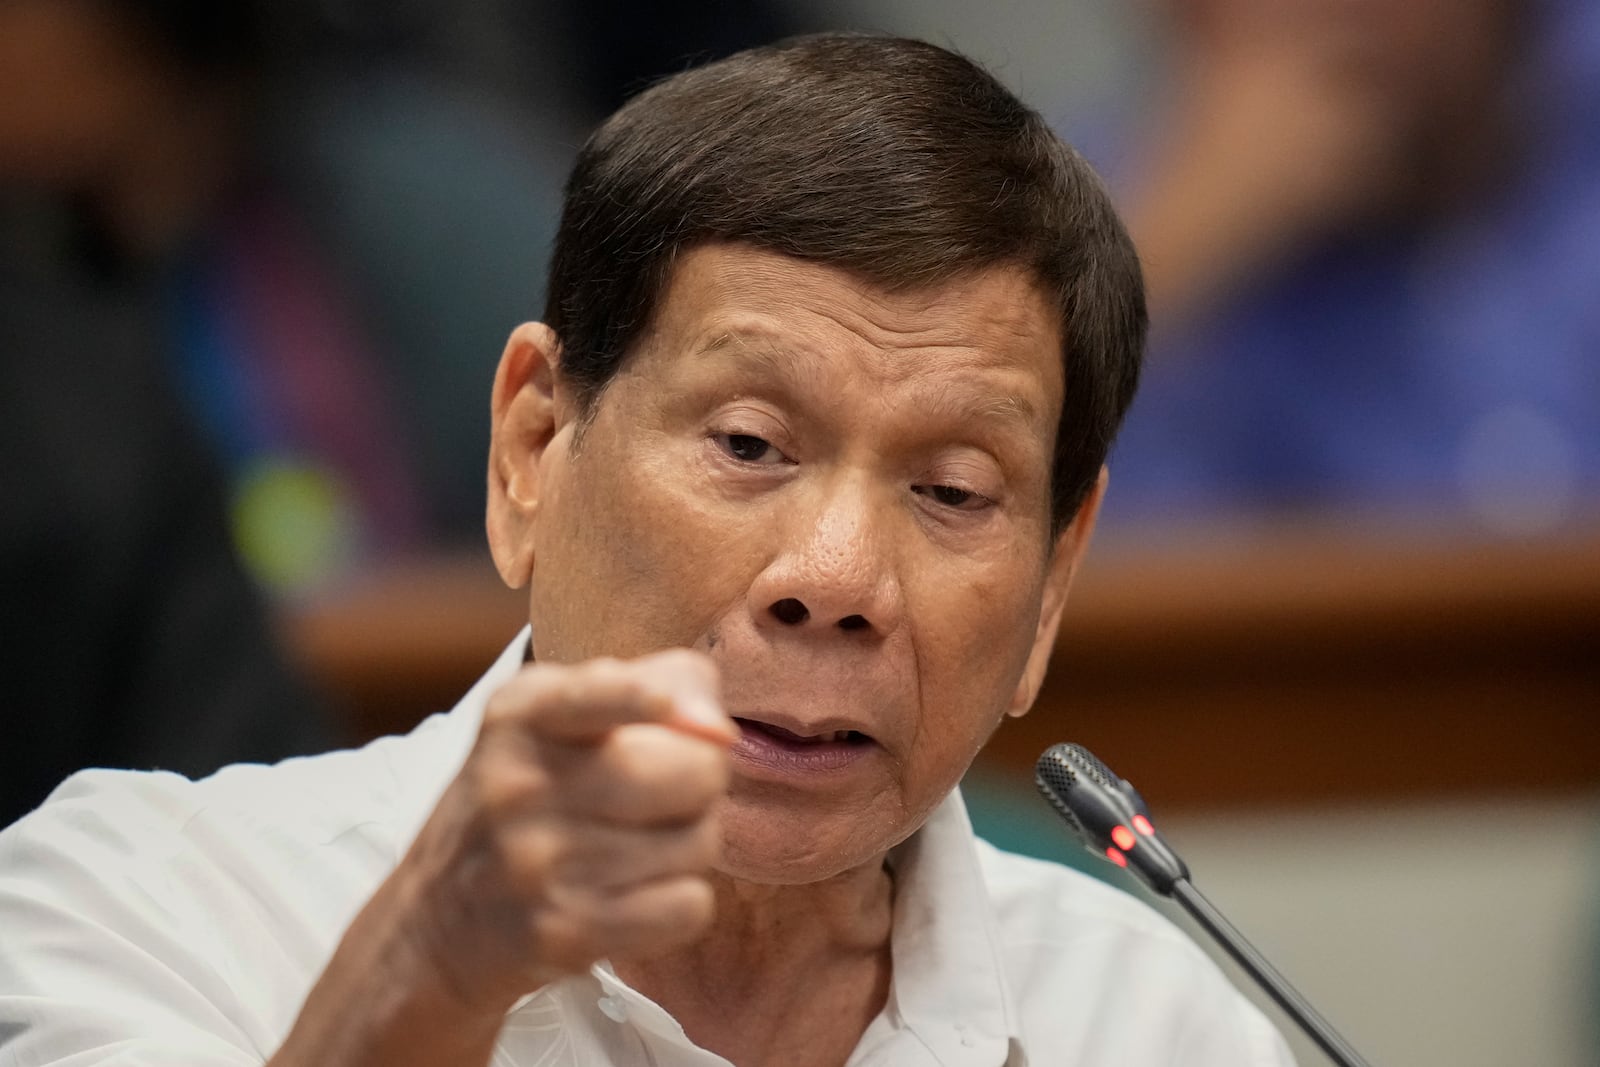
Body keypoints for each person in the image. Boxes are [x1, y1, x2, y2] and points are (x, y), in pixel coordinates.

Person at [0, 34, 1293, 1066]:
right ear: (532, 447)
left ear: (1055, 582)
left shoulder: (1152, 1028)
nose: (835, 580)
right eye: (747, 444)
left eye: (953, 491)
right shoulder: (137, 907)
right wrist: (430, 978)